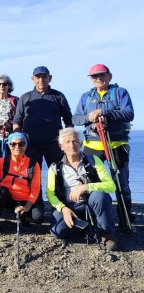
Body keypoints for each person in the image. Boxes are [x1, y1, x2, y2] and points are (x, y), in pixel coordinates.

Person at [72, 63, 134, 225]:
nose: (98, 78)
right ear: (91, 80)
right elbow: (76, 118)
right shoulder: (86, 97)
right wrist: (90, 118)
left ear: (109, 76)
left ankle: (125, 218)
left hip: (116, 144)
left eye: (102, 75)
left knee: (121, 183)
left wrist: (105, 112)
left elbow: (128, 114)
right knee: (90, 183)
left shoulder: (120, 93)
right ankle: (95, 217)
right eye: (94, 76)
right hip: (92, 146)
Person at [46, 128, 117, 251]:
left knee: (100, 196)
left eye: (75, 141)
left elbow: (111, 186)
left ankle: (107, 234)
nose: (71, 145)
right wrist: (63, 209)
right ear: (61, 146)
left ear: (81, 143)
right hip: (69, 207)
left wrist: (87, 186)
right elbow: (50, 194)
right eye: (67, 142)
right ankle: (86, 227)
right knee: (57, 232)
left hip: (90, 204)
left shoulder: (94, 160)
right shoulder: (54, 167)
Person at [12, 66, 73, 182]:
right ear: (32, 79)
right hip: (31, 144)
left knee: (58, 175)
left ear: (50, 78)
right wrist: (19, 140)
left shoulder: (58, 96)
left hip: (54, 144)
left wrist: (66, 139)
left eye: (44, 77)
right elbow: (17, 122)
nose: (41, 80)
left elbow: (69, 120)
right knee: (31, 176)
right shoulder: (25, 97)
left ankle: (58, 200)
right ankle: (35, 201)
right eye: (38, 77)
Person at [0, 132, 44, 231]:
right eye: (13, 144)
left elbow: (35, 188)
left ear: (25, 146)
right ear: (9, 145)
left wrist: (27, 206)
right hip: (7, 198)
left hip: (25, 199)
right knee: (1, 190)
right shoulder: (2, 162)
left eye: (21, 144)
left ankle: (23, 216)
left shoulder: (34, 164)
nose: (17, 147)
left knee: (38, 218)